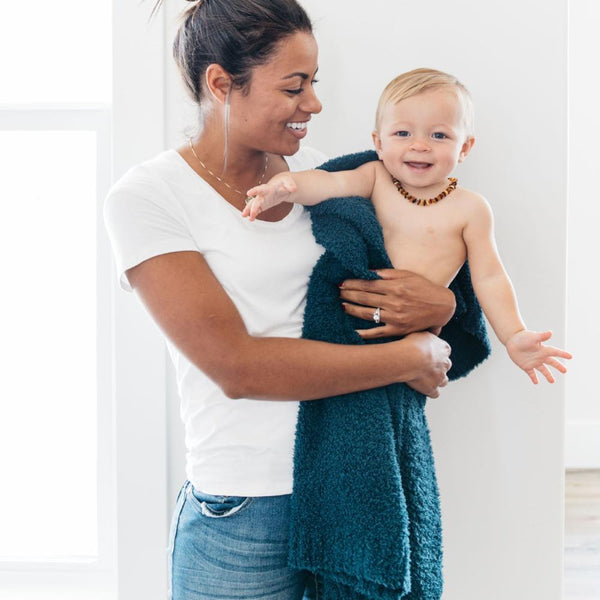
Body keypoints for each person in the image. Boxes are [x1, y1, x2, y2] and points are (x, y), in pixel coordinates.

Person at [103, 3, 468, 599]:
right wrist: (408, 359)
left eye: (314, 83)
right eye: (294, 87)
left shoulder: (329, 189)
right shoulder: (149, 197)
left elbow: (415, 290)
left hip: (351, 486)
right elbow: (236, 366)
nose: (314, 105)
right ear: (220, 84)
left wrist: (440, 311)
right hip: (243, 507)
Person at [243, 67, 572, 385]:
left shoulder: (470, 208)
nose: (420, 145)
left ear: (466, 147)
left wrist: (514, 334)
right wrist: (286, 185)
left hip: (416, 337)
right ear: (380, 143)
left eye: (439, 135)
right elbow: (330, 183)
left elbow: (490, 276)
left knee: (407, 397)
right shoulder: (376, 178)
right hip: (353, 324)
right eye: (403, 133)